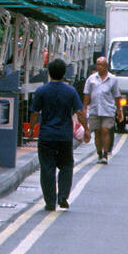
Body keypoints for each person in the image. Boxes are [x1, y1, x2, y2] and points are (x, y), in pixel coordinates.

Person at [30, 57, 89, 212]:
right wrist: (86, 130)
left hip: (46, 136)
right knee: (66, 165)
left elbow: (35, 113)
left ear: (49, 72)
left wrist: (30, 130)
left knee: (47, 168)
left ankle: (50, 202)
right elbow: (80, 112)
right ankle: (63, 196)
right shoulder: (70, 91)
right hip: (64, 136)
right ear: (64, 73)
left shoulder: (41, 91)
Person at [83, 55, 122, 165]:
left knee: (105, 130)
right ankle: (99, 153)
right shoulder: (91, 79)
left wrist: (119, 110)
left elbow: (116, 95)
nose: (99, 67)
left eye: (101, 65)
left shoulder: (113, 79)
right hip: (95, 109)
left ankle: (105, 154)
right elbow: (86, 94)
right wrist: (84, 108)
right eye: (97, 64)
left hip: (108, 109)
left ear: (106, 66)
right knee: (97, 132)